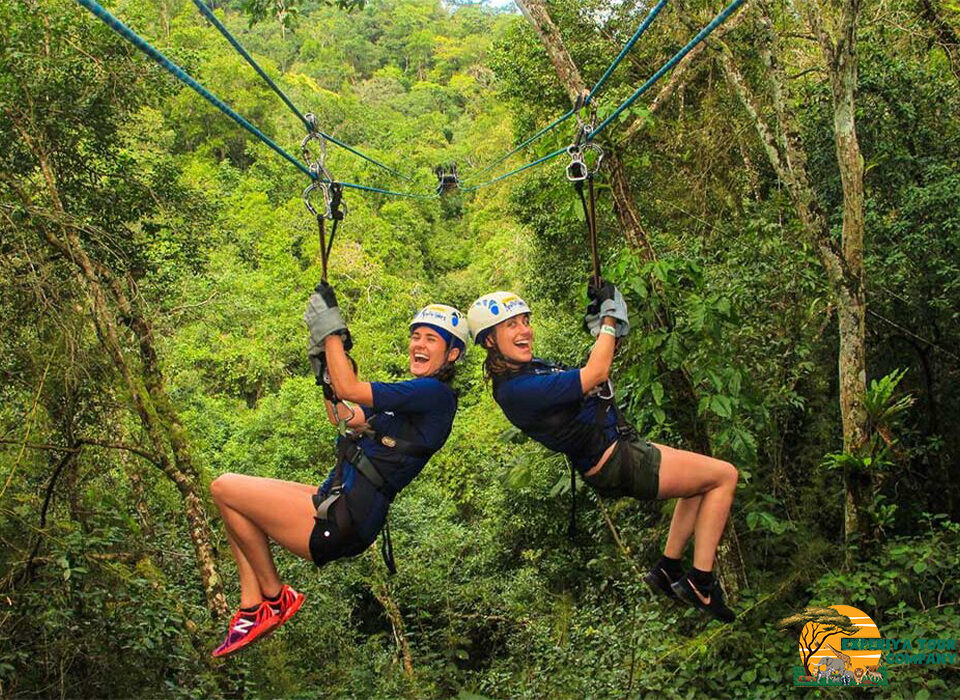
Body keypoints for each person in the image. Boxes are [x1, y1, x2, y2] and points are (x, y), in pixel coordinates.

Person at [208, 285, 467, 657]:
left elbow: (352, 387)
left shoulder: (433, 396)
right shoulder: (410, 407)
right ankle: (252, 605)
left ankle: (273, 597)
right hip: (342, 504)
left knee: (224, 487)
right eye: (415, 336)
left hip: (346, 518)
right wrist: (326, 375)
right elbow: (345, 416)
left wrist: (331, 332)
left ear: (452, 354)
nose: (419, 344)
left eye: (431, 339)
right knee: (235, 503)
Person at [467, 287, 739, 623]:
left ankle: (668, 569)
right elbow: (594, 375)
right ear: (490, 341)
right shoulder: (517, 390)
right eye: (512, 326)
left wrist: (602, 331)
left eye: (525, 321)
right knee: (724, 476)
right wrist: (609, 320)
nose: (525, 330)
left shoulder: (527, 371)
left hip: (617, 450)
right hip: (616, 459)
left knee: (698, 484)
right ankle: (701, 582)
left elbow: (588, 373)